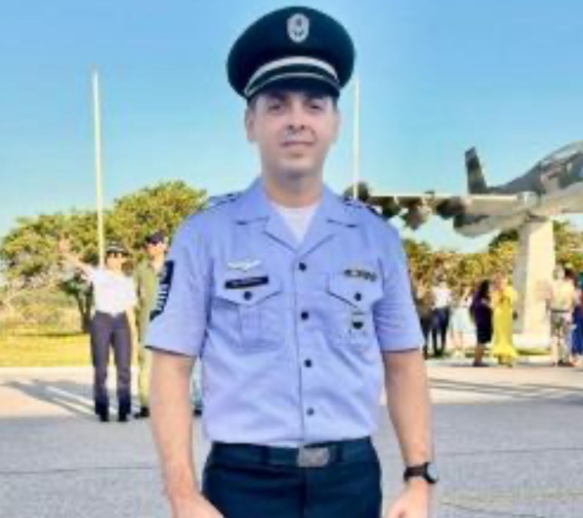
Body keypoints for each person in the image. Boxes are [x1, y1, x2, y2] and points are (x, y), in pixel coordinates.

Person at [146, 7, 436, 518]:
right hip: (242, 486)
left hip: (350, 483)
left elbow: (404, 362)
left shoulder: (376, 239)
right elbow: (171, 367)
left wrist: (418, 478)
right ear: (250, 123)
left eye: (314, 104)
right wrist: (183, 495)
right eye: (277, 105)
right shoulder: (203, 236)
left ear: (334, 122)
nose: (297, 120)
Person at [59, 239, 136, 422]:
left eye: (117, 255)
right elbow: (79, 264)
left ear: (123, 259)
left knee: (124, 368)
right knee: (100, 367)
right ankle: (102, 408)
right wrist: (64, 252)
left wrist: (134, 332)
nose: (113, 258)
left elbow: (130, 309)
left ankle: (123, 409)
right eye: (110, 255)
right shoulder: (98, 275)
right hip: (102, 320)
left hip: (121, 322)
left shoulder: (128, 281)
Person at [133, 231, 168, 418]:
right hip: (147, 326)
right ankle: (146, 405)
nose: (150, 247)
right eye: (148, 244)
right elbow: (132, 298)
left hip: (171, 327)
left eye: (154, 243)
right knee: (146, 366)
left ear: (164, 245)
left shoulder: (176, 268)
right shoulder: (140, 270)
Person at [547, 265, 577, 366]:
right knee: (566, 336)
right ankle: (565, 358)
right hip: (566, 313)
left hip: (554, 312)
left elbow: (548, 299)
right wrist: (572, 309)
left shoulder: (551, 285)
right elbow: (575, 301)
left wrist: (548, 310)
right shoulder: (570, 286)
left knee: (554, 336)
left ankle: (554, 359)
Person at [490, 274, 518, 367]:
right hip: (498, 316)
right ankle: (501, 358)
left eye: (505, 280)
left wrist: (505, 294)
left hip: (507, 315)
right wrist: (499, 296)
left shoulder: (510, 290)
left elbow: (514, 300)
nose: (504, 282)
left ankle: (509, 358)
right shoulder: (495, 291)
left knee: (507, 336)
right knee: (499, 336)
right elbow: (492, 305)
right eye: (502, 281)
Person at [471, 280, 492, 367]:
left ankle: (477, 360)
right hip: (483, 322)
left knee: (480, 341)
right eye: (490, 287)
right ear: (486, 288)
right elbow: (491, 307)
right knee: (481, 342)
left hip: (480, 321)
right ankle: (477, 361)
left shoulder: (477, 296)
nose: (491, 289)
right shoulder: (482, 298)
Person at [449, 284, 473, 359]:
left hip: (462, 316)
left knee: (461, 334)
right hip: (455, 315)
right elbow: (456, 304)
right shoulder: (452, 297)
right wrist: (464, 295)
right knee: (454, 333)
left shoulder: (468, 298)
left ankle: (462, 351)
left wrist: (465, 295)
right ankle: (456, 350)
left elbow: (466, 305)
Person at [430, 276, 452, 357]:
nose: (443, 283)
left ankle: (442, 349)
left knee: (443, 331)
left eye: (444, 282)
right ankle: (435, 349)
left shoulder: (448, 291)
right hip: (436, 310)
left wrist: (449, 300)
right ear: (439, 282)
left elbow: (449, 301)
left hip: (445, 310)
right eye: (441, 282)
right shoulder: (434, 289)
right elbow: (432, 298)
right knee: (434, 330)